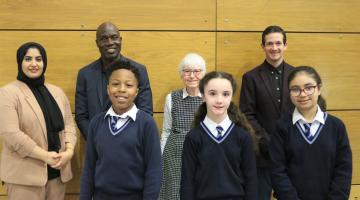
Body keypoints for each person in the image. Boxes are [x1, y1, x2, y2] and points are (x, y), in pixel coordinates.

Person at [0, 42, 77, 200]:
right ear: (20, 62)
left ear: (44, 62)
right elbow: (11, 134)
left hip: (57, 173)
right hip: (24, 178)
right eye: (28, 59)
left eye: (38, 59)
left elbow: (69, 124)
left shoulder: (57, 92)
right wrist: (44, 156)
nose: (34, 64)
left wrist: (69, 151)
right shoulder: (7, 93)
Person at [80, 59, 161, 200]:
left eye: (129, 85)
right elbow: (89, 169)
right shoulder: (96, 123)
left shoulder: (147, 124)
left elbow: (154, 171)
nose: (121, 89)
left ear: (136, 91)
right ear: (108, 89)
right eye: (115, 84)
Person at [270, 66, 352, 200]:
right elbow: (277, 171)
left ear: (319, 89)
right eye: (295, 89)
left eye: (308, 88)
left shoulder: (336, 126)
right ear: (289, 93)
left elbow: (343, 170)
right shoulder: (282, 128)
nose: (302, 94)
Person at [181, 71, 258, 200]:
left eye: (225, 94)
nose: (219, 100)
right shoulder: (193, 137)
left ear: (231, 96)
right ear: (203, 96)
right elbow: (187, 182)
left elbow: (251, 181)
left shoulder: (242, 137)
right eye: (212, 93)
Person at [239, 25, 294, 200]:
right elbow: (246, 115)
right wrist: (269, 144)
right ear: (263, 47)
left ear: (285, 45)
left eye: (278, 43)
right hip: (262, 156)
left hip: (292, 155)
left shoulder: (297, 76)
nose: (274, 48)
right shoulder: (251, 77)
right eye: (269, 44)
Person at [75, 21, 153, 139]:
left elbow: (145, 111)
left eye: (114, 37)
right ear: (97, 43)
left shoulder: (139, 70)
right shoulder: (85, 74)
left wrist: (126, 140)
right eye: (104, 39)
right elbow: (81, 116)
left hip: (131, 145)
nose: (110, 42)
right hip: (97, 147)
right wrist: (96, 139)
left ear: (120, 40)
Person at [160, 53, 206, 200]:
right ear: (181, 74)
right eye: (187, 71)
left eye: (197, 71)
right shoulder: (171, 98)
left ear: (203, 74)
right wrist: (161, 156)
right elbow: (166, 130)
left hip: (201, 152)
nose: (192, 76)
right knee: (174, 193)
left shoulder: (209, 98)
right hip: (174, 154)